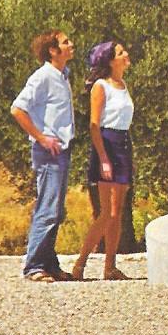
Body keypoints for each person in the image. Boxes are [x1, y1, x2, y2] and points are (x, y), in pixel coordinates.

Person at [10, 29, 76, 283]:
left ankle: (49, 264)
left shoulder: (63, 75)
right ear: (52, 50)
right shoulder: (43, 77)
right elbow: (18, 109)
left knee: (55, 209)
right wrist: (41, 137)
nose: (71, 45)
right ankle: (34, 266)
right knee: (48, 208)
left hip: (61, 149)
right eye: (65, 42)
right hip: (49, 152)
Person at [71, 40, 134, 281]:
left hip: (123, 144)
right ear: (110, 60)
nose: (126, 54)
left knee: (117, 212)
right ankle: (80, 264)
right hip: (106, 145)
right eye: (120, 52)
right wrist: (104, 159)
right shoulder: (100, 86)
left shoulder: (123, 85)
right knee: (106, 212)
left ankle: (110, 266)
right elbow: (94, 126)